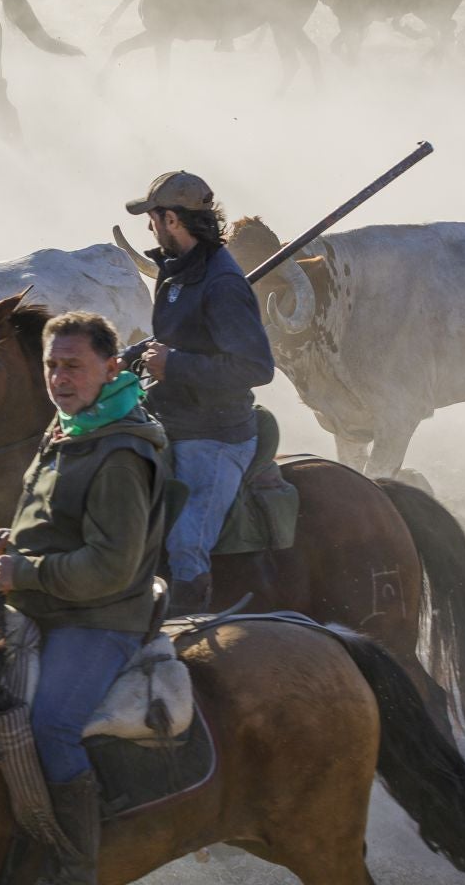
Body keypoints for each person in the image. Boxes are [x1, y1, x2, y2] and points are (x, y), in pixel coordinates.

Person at [0, 310, 173, 885]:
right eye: (51, 366)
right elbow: (52, 511)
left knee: (51, 727)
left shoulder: (119, 452)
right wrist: (15, 543)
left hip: (100, 619)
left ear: (112, 367)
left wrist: (29, 573)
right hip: (40, 604)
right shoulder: (70, 426)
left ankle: (75, 866)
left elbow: (112, 567)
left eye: (73, 365)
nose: (59, 378)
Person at [123, 171, 274, 616]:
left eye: (152, 218)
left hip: (214, 436)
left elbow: (256, 367)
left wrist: (174, 366)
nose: (149, 227)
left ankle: (187, 635)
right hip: (166, 419)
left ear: (171, 219)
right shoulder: (176, 273)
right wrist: (118, 360)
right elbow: (171, 342)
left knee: (186, 545)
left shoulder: (224, 284)